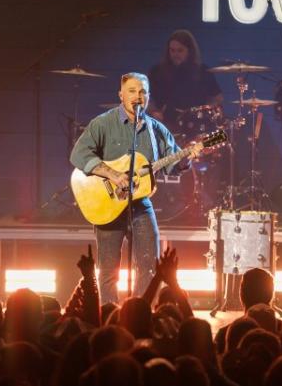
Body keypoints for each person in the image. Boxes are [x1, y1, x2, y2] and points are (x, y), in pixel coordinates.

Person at [70, 72, 200, 303]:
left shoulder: (156, 129)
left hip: (141, 204)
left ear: (148, 97)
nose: (138, 96)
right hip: (108, 205)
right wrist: (112, 174)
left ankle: (140, 314)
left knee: (150, 266)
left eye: (143, 92)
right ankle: (108, 315)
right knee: (109, 270)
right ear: (121, 95)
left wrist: (187, 158)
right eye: (132, 91)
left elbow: (173, 165)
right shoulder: (103, 123)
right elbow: (78, 154)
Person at [147, 30, 223, 133]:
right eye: (172, 50)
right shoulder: (157, 72)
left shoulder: (202, 71)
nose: (175, 54)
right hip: (167, 124)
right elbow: (146, 98)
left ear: (189, 51)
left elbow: (217, 98)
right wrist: (154, 111)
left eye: (180, 50)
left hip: (197, 125)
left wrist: (208, 110)